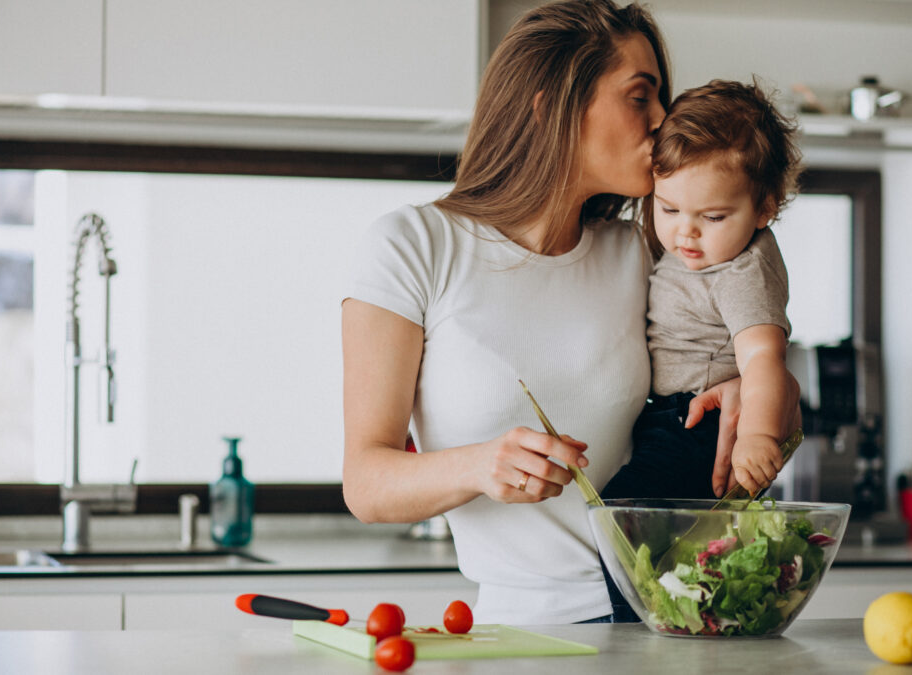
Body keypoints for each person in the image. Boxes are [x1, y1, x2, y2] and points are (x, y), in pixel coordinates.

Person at [341, 1, 799, 625]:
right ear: (549, 105)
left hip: (672, 616)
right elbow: (367, 483)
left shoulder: (645, 248)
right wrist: (480, 464)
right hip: (521, 632)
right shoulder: (414, 246)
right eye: (641, 97)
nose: (663, 121)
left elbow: (755, 347)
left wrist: (751, 389)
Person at [602, 79, 803, 505]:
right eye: (669, 209)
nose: (685, 231)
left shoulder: (741, 269)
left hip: (702, 425)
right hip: (668, 417)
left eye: (713, 216)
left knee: (622, 514)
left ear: (765, 207)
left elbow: (764, 357)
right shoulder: (692, 248)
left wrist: (756, 435)